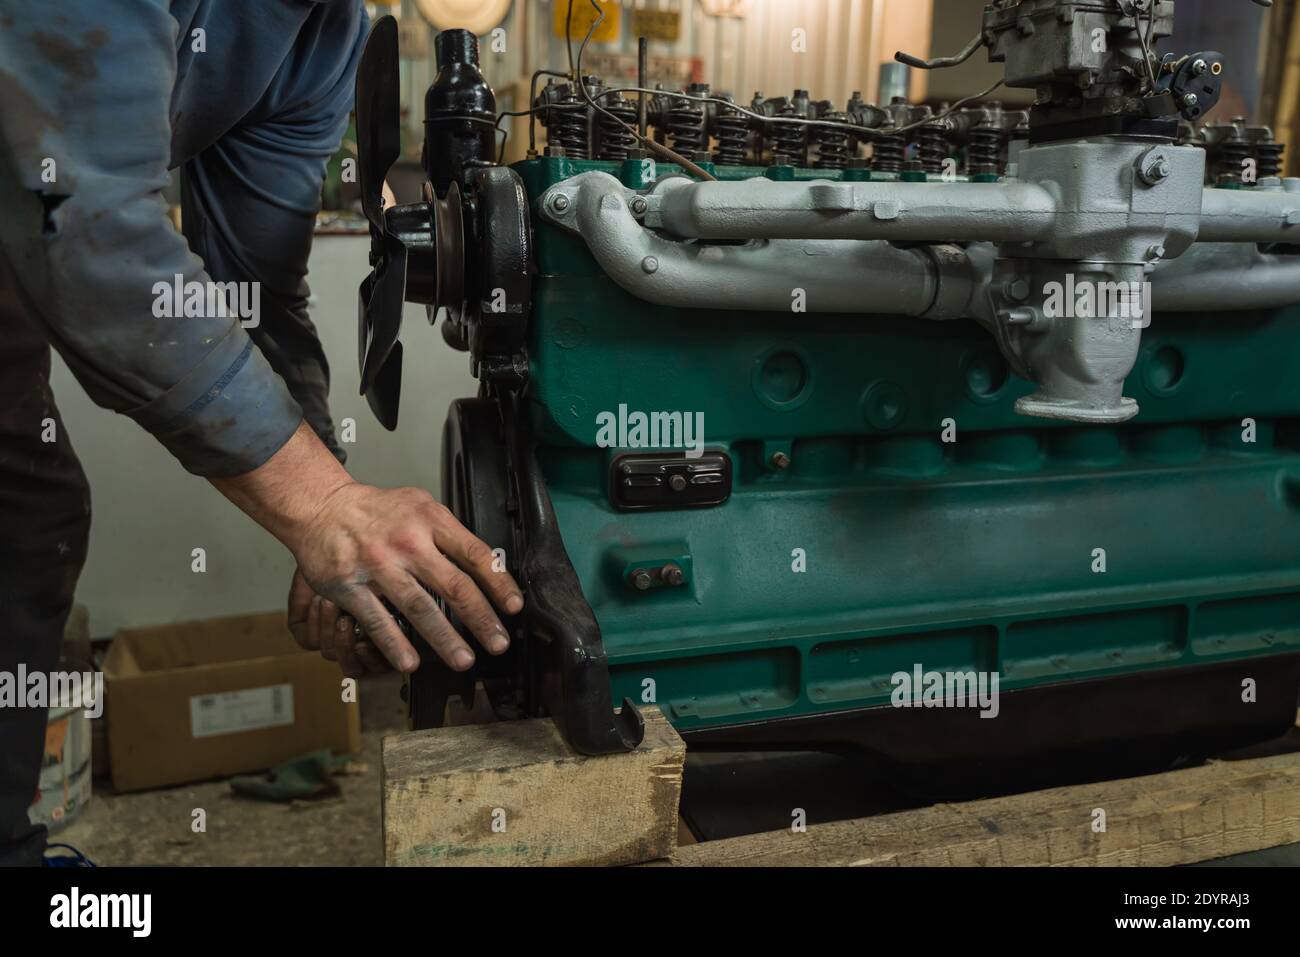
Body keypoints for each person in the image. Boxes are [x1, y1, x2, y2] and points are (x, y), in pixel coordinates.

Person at [0, 0, 520, 866]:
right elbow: (88, 233)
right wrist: (318, 505)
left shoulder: (320, 36)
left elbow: (258, 288)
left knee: (27, 509)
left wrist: (333, 519)